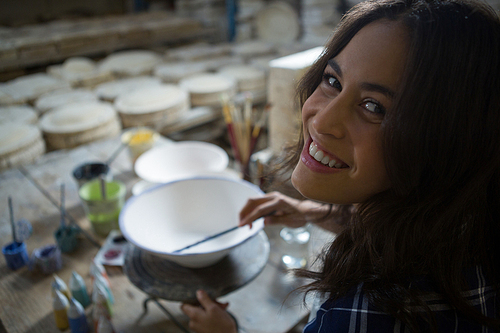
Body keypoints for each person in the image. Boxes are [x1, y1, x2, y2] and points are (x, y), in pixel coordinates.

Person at [181, 0, 500, 331]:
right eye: (333, 80)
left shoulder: (362, 314)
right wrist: (309, 211)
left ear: (446, 143)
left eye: (374, 106)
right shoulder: (470, 220)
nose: (322, 121)